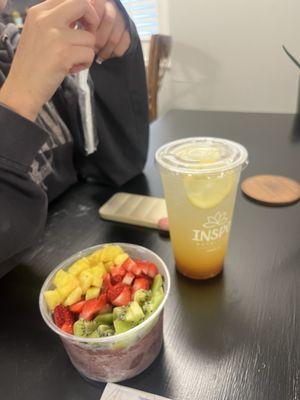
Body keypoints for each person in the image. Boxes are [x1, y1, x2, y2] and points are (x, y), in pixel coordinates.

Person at [0, 0, 149, 273]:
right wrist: (18, 102)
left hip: (83, 263)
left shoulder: (19, 49)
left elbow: (118, 165)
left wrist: (113, 48)